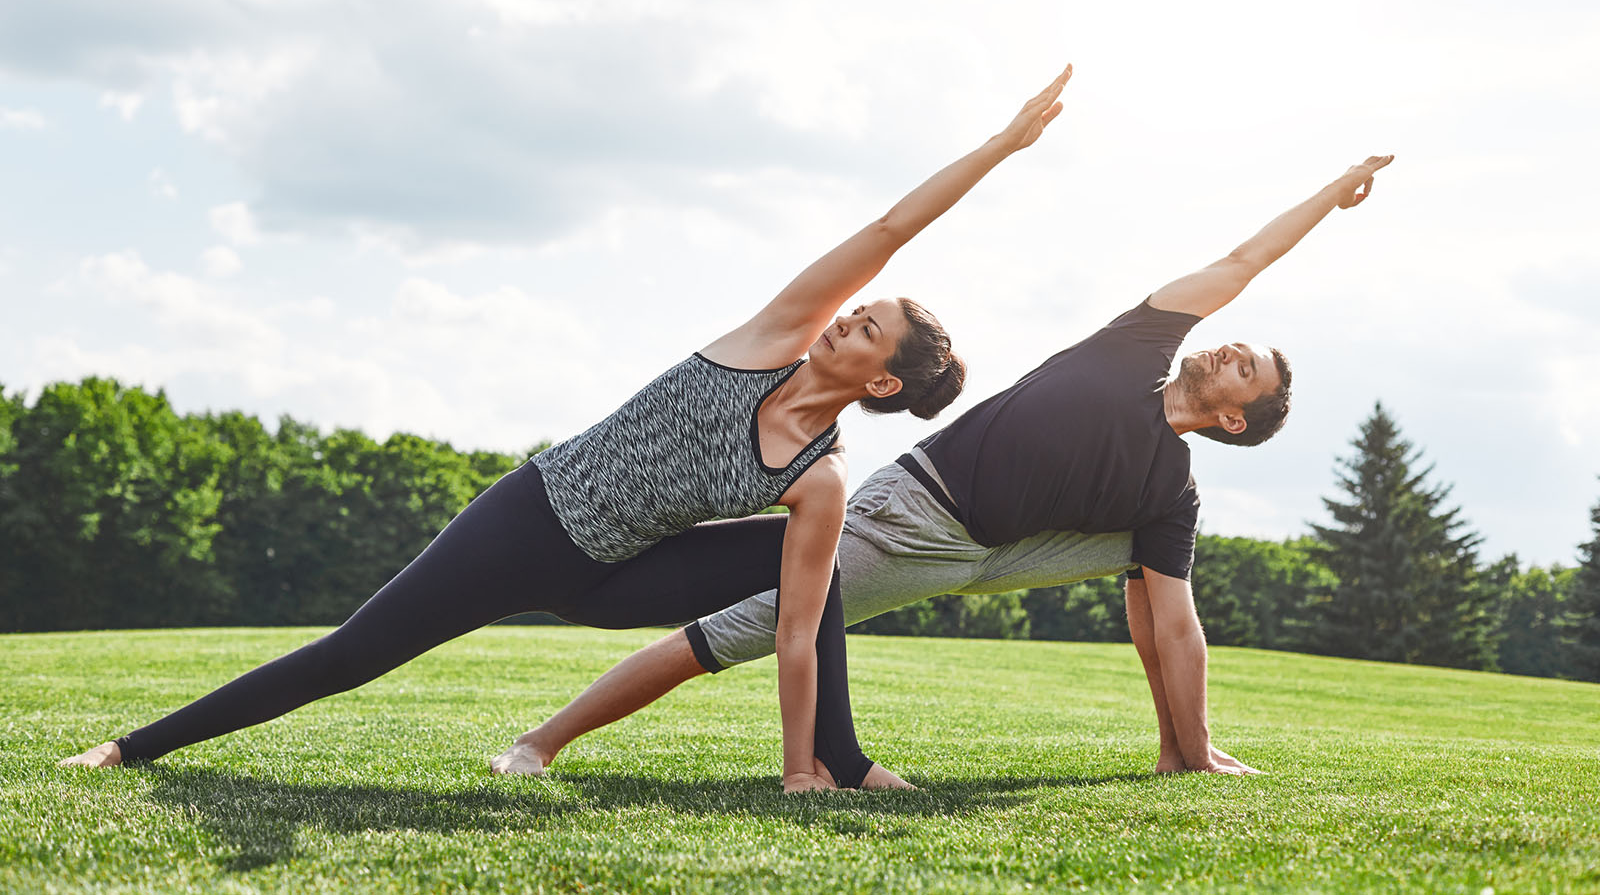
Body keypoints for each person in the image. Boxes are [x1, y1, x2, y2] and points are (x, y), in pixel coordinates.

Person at [58, 65, 1077, 793]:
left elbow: (798, 629)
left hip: (614, 577)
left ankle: (834, 762)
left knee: (816, 576)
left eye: (867, 327)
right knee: (351, 653)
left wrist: (793, 769)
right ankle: (131, 747)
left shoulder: (821, 478)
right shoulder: (776, 333)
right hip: (530, 520)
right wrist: (1000, 145)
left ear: (883, 380)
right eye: (857, 307)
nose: (847, 316)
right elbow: (891, 227)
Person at [489, 153, 1396, 784]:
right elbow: (1243, 260)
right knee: (743, 628)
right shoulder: (1138, 345)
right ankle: (542, 741)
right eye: (1238, 344)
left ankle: (1179, 751)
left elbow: (1176, 625)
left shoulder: (1172, 490)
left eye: (1245, 367)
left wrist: (1193, 743)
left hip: (1001, 551)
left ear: (1234, 417)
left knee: (1156, 569)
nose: (1229, 348)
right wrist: (1328, 194)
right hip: (917, 518)